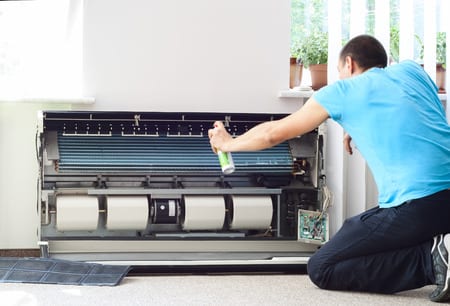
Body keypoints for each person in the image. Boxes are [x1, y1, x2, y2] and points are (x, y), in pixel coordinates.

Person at [208, 34, 450, 302]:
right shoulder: (413, 71)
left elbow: (273, 134)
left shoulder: (343, 92)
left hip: (417, 205)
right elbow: (408, 113)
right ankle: (440, 247)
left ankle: (432, 259)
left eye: (338, 72)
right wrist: (353, 125)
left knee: (322, 267)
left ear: (349, 64)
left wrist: (229, 143)